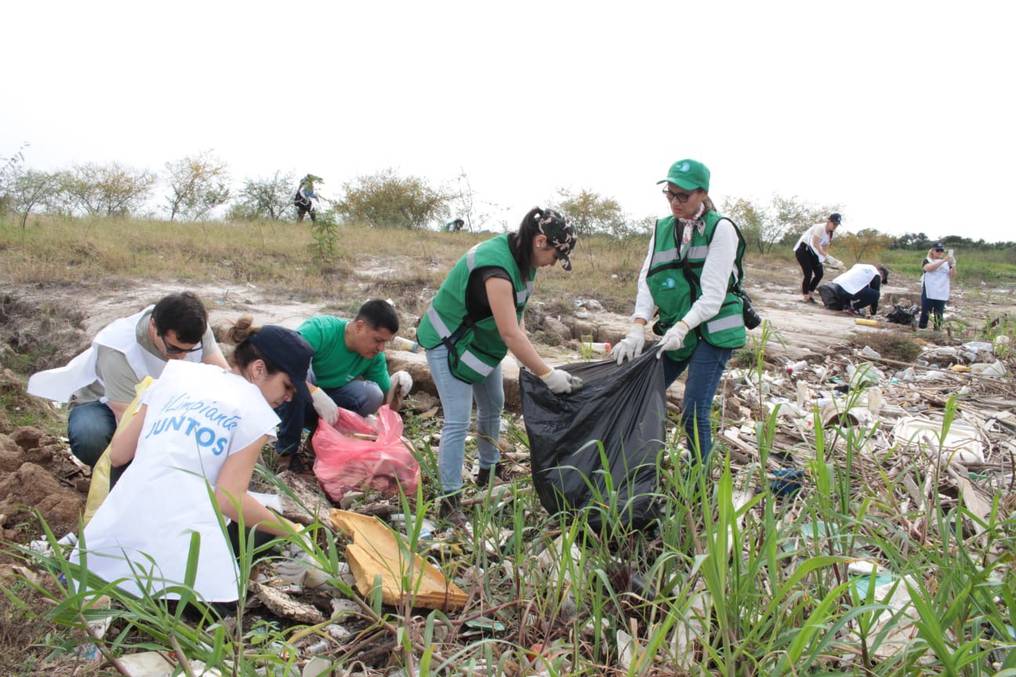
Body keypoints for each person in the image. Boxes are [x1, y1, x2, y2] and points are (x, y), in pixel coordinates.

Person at [72, 320, 313, 603]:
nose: (287, 397)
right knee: (265, 529)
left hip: (109, 550)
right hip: (179, 575)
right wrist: (292, 531)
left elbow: (119, 455)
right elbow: (228, 500)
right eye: (287, 386)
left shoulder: (177, 376)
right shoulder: (255, 411)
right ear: (258, 369)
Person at [417, 207, 580, 522]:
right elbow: (509, 333)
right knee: (457, 421)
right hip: (447, 341)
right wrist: (547, 374)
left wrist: (530, 360)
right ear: (541, 241)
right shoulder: (496, 268)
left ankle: (488, 472)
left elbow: (516, 323)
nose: (552, 264)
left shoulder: (524, 261)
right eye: (555, 256)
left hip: (479, 343)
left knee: (494, 405)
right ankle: (449, 502)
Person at [610, 159, 747, 467]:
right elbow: (649, 279)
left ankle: (700, 484)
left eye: (682, 196)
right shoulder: (661, 229)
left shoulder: (721, 229)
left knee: (694, 408)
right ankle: (639, 465)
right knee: (644, 389)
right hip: (678, 331)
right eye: (669, 194)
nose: (675, 202)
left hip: (712, 331)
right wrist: (637, 327)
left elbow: (713, 296)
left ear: (702, 194)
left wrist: (682, 327)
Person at [27, 292, 229, 468]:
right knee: (91, 435)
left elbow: (224, 378)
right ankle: (108, 478)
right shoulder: (119, 350)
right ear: (153, 326)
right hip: (108, 404)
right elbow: (127, 420)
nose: (182, 356)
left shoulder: (194, 330)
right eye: (174, 349)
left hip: (165, 401)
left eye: (189, 350)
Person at [275, 300, 413, 459]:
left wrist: (397, 389)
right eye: (378, 340)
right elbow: (285, 361)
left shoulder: (374, 357)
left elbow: (387, 406)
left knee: (373, 394)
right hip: (285, 401)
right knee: (300, 370)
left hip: (325, 411)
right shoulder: (321, 329)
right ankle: (286, 452)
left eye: (385, 342)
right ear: (360, 326)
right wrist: (313, 392)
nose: (381, 348)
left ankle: (317, 443)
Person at [793, 213, 841, 303]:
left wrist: (828, 259)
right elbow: (815, 243)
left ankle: (810, 294)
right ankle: (805, 295)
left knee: (819, 273)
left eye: (837, 225)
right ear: (828, 221)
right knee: (808, 273)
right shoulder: (820, 228)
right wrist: (827, 256)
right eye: (834, 223)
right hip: (804, 250)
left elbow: (825, 248)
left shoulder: (830, 234)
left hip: (814, 253)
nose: (835, 226)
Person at [817, 263, 889, 316]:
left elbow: (853, 283)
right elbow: (875, 297)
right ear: (882, 275)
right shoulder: (876, 274)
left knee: (858, 288)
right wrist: (873, 313)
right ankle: (852, 308)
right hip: (846, 291)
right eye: (882, 280)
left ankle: (847, 305)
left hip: (836, 286)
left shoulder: (860, 266)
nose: (880, 282)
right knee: (876, 294)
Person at [919, 242, 955, 330]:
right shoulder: (927, 260)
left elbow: (952, 275)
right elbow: (928, 268)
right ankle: (922, 328)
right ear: (932, 251)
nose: (939, 252)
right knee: (925, 311)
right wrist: (943, 261)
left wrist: (953, 265)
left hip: (941, 292)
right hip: (929, 290)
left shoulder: (947, 263)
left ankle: (937, 330)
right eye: (937, 250)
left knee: (939, 313)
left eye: (941, 250)